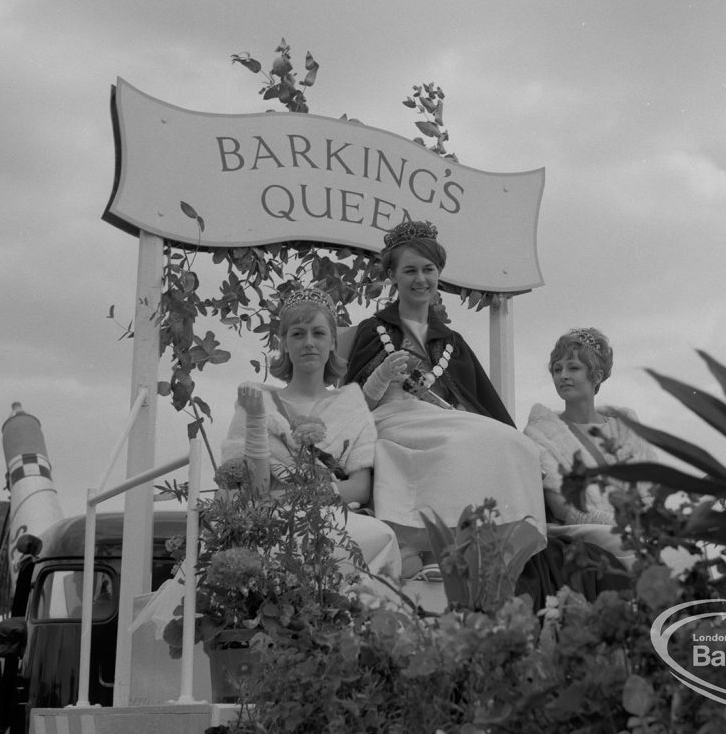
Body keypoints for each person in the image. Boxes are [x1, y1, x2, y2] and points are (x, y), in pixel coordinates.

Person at [343, 221, 547, 577]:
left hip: (442, 420)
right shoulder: (374, 330)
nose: (420, 279)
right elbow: (353, 409)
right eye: (410, 270)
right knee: (455, 446)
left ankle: (482, 545)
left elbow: (478, 401)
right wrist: (383, 375)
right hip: (389, 420)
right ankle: (431, 543)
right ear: (392, 275)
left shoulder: (450, 340)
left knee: (514, 443)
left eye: (428, 269)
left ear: (438, 274)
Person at [221, 286, 403, 580]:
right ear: (284, 343)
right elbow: (255, 491)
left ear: (332, 342)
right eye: (297, 334)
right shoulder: (256, 401)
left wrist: (302, 495)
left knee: (381, 536)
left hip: (333, 520)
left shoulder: (351, 404)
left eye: (318, 333)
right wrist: (256, 419)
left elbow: (360, 488)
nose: (308, 342)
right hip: (270, 522)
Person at [524, 328, 657, 567]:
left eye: (573, 368)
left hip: (636, 530)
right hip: (581, 532)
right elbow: (563, 507)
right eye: (557, 369)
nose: (562, 375)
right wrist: (622, 527)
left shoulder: (626, 428)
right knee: (622, 544)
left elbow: (649, 492)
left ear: (596, 375)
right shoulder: (540, 433)